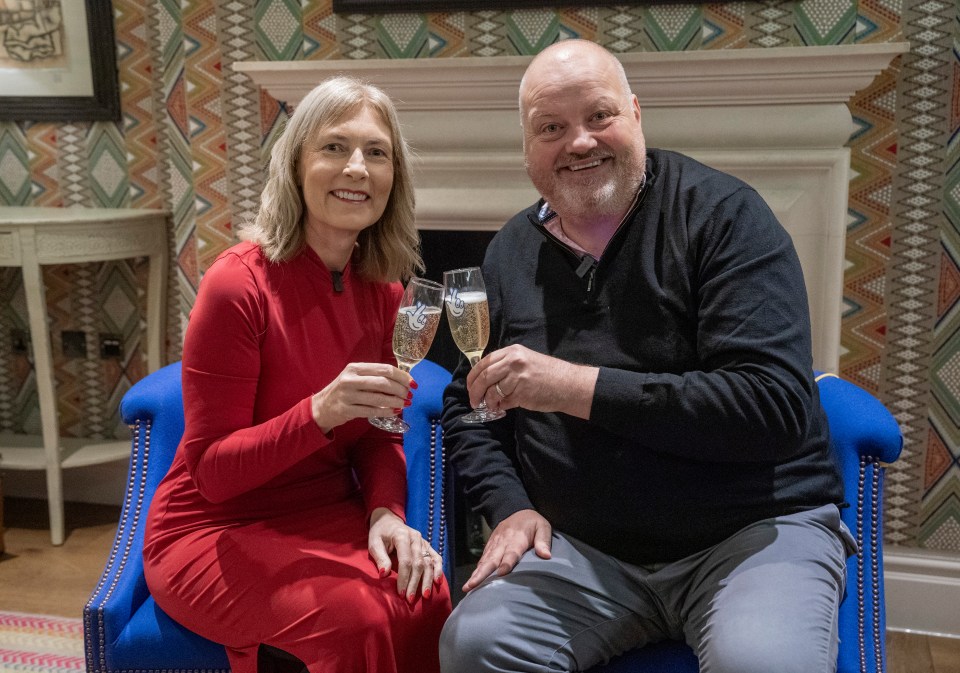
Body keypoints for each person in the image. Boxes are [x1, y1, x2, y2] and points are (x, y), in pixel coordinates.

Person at [439, 40, 856, 673]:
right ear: (527, 148)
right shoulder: (509, 254)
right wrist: (510, 506)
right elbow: (465, 405)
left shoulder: (724, 217)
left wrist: (570, 387)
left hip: (747, 536)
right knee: (475, 644)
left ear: (636, 114)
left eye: (599, 116)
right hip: (582, 553)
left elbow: (772, 408)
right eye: (551, 128)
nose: (579, 142)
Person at [143, 75, 451, 673]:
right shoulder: (237, 285)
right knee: (356, 621)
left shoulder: (386, 292)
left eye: (376, 152)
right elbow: (212, 475)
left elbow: (383, 432)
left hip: (326, 513)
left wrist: (386, 513)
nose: (357, 168)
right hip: (211, 527)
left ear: (394, 178)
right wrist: (320, 412)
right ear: (296, 164)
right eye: (334, 147)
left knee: (427, 594)